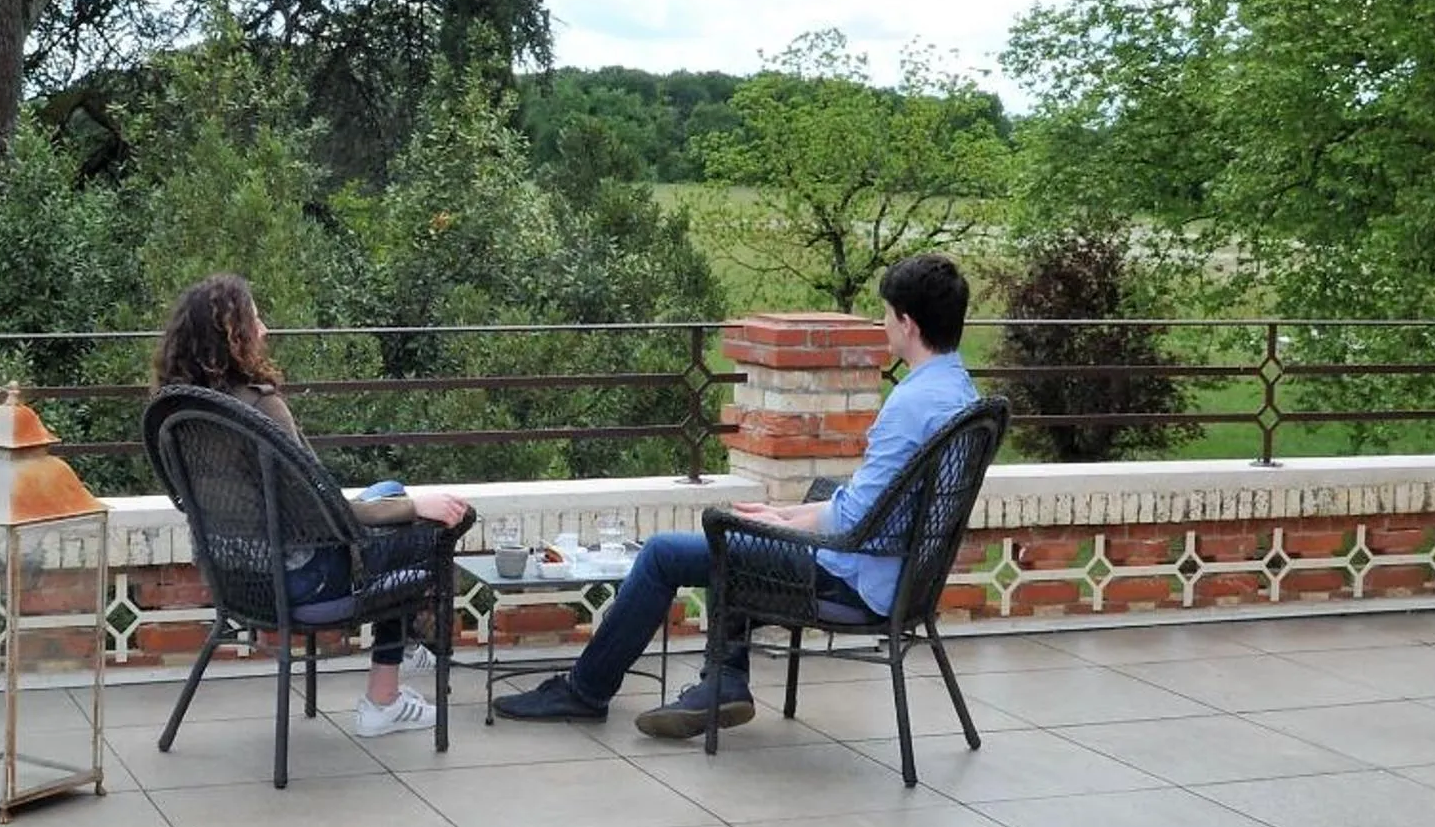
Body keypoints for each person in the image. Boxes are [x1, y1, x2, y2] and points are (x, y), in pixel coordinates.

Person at [494, 252, 977, 738]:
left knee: (668, 553)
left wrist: (780, 526)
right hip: (905, 576)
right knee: (744, 534)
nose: (884, 326)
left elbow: (857, 515)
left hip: (854, 579)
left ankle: (586, 691)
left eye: (887, 316)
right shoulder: (962, 394)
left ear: (908, 324)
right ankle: (723, 680)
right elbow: (875, 503)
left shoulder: (908, 407)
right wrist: (784, 514)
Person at [153, 274, 473, 739]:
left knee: (389, 488)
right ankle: (383, 697)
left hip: (234, 578)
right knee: (423, 534)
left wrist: (399, 501)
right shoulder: (261, 409)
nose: (265, 330)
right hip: (304, 582)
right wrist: (415, 507)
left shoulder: (179, 413)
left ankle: (402, 648)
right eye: (255, 319)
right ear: (234, 335)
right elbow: (327, 514)